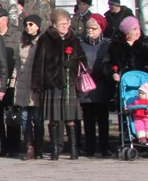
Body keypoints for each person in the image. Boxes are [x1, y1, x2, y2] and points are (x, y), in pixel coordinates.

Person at [31, 8, 88, 160]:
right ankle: (55, 148)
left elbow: (83, 60)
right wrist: (37, 84)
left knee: (70, 118)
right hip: (52, 83)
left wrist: (73, 63)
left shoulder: (73, 38)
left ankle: (74, 148)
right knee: (54, 118)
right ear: (54, 25)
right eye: (61, 24)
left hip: (69, 83)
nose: (65, 26)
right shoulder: (46, 39)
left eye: (67, 23)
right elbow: (39, 62)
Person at [79, 13, 111, 158]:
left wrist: (102, 72)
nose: (90, 31)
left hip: (102, 85)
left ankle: (105, 147)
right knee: (88, 119)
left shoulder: (107, 44)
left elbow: (110, 62)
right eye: (88, 28)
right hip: (86, 86)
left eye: (94, 28)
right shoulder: (81, 43)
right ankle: (89, 148)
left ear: (101, 29)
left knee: (103, 120)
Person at [0, 7, 21, 157]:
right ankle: (0, 146)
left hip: (12, 81)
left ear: (5, 20)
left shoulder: (17, 34)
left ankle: (14, 146)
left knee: (13, 113)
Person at [13, 15, 44, 160]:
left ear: (38, 26)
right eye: (26, 24)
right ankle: (29, 148)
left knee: (37, 118)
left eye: (31, 24)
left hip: (37, 83)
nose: (28, 27)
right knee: (24, 118)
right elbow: (18, 64)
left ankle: (39, 148)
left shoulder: (43, 42)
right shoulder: (22, 42)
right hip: (23, 83)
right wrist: (14, 80)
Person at [104, 16, 148, 81]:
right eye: (134, 29)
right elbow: (107, 64)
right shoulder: (116, 45)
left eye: (138, 28)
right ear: (126, 32)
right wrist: (113, 74)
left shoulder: (145, 43)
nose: (138, 32)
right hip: (123, 83)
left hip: (144, 83)